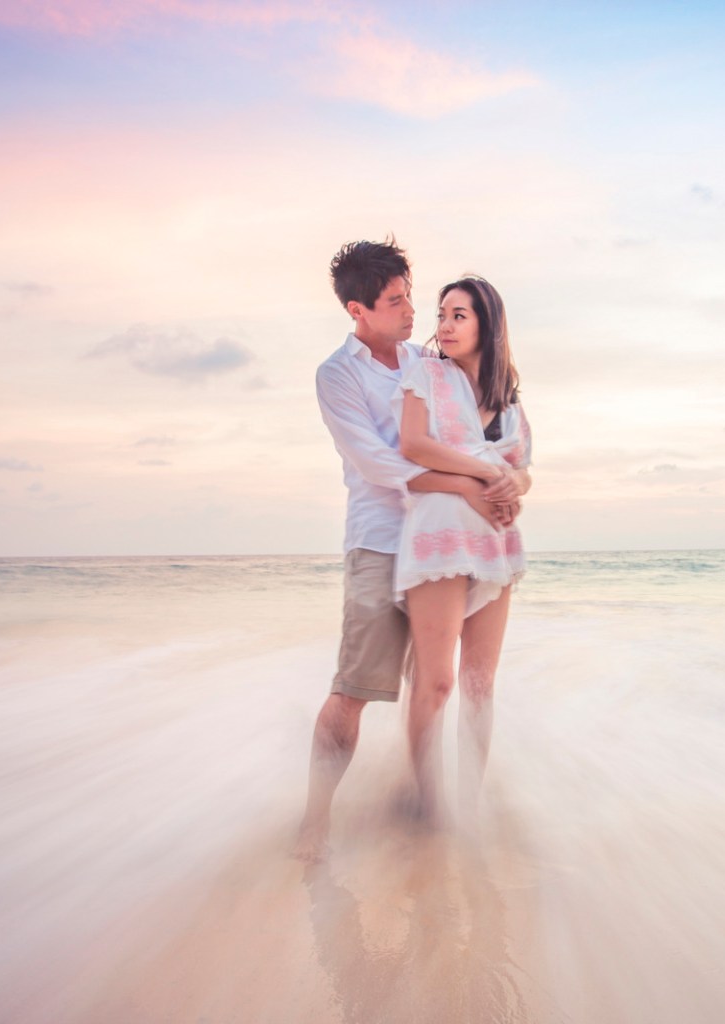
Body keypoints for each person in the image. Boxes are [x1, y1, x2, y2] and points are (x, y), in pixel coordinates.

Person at [295, 241, 516, 863]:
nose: (413, 311)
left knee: (436, 685)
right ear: (359, 310)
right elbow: (376, 462)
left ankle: (424, 803)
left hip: (444, 544)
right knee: (356, 686)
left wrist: (504, 482)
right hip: (382, 540)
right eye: (396, 302)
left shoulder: (430, 360)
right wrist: (472, 486)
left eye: (411, 296)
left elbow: (482, 429)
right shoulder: (337, 374)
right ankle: (315, 821)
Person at [392, 276, 531, 821]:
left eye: (459, 316)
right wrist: (483, 473)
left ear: (487, 325)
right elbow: (413, 448)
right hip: (440, 539)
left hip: (496, 545)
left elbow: (523, 472)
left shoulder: (510, 403)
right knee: (439, 678)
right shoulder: (424, 373)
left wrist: (515, 484)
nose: (444, 326)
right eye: (441, 315)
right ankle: (427, 806)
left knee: (479, 683)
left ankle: (467, 806)